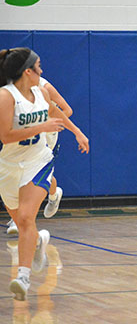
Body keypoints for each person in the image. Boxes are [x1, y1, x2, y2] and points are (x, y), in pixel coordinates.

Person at [0, 47, 89, 300]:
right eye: (38, 66)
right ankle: (38, 242)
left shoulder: (40, 92)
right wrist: (42, 126)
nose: (42, 70)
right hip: (8, 165)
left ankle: (23, 278)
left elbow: (56, 112)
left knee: (27, 218)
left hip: (38, 160)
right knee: (21, 222)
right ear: (27, 71)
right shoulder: (6, 97)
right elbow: (5, 135)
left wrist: (77, 132)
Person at [6, 76, 74, 235]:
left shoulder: (45, 87)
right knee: (19, 171)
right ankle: (21, 216)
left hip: (46, 135)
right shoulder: (10, 88)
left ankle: (46, 199)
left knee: (32, 173)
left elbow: (67, 110)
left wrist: (48, 124)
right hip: (26, 134)